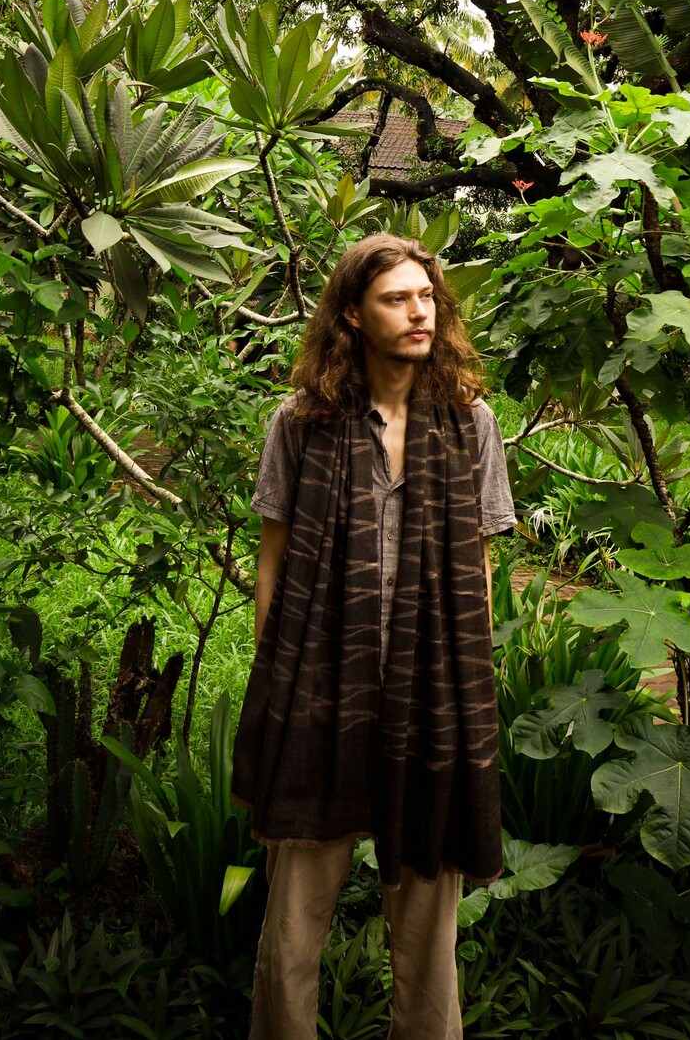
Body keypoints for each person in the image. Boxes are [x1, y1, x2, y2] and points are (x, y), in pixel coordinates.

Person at [232, 232, 516, 1040]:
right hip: (321, 691)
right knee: (293, 929)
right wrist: (279, 687)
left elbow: (479, 570)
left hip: (430, 696)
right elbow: (273, 563)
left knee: (429, 940)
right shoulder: (302, 422)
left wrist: (465, 688)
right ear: (353, 314)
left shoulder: (470, 423)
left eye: (427, 296)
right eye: (397, 298)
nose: (419, 312)